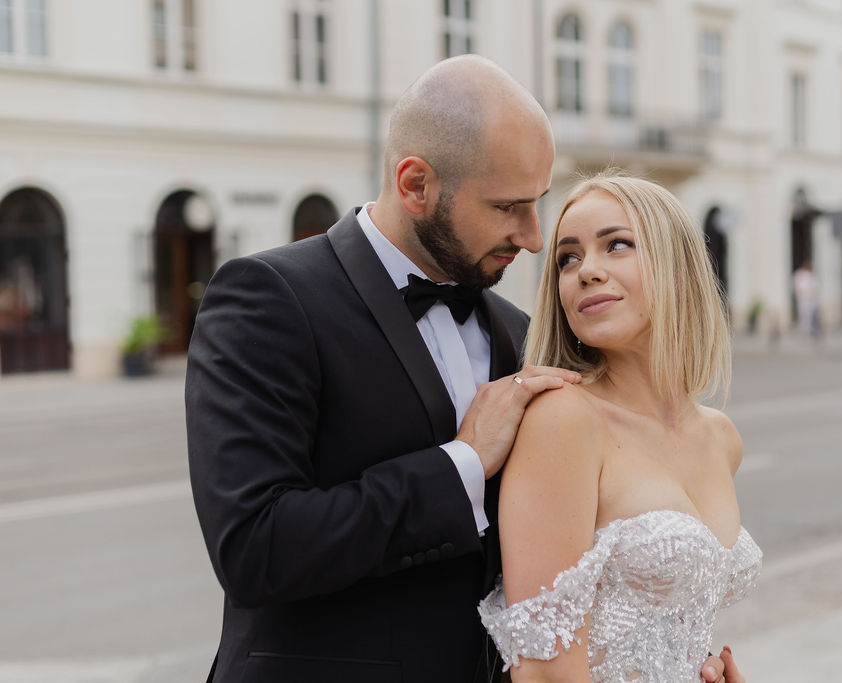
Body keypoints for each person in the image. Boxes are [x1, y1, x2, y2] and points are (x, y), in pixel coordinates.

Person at [187, 55, 741, 683]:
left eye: (538, 204)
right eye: (509, 206)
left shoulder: (518, 334)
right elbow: (255, 548)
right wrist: (464, 465)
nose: (533, 236)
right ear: (416, 185)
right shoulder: (271, 298)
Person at [479, 172, 761, 682]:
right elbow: (544, 670)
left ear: (676, 264)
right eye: (568, 257)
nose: (586, 270)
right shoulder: (563, 419)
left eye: (617, 245)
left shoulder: (721, 438)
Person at [792, 260, 820, 338]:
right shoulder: (799, 275)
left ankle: (810, 330)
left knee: (810, 316)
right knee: (803, 316)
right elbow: (797, 287)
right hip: (803, 299)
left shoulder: (810, 275)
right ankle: (804, 331)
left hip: (810, 299)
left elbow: (814, 287)